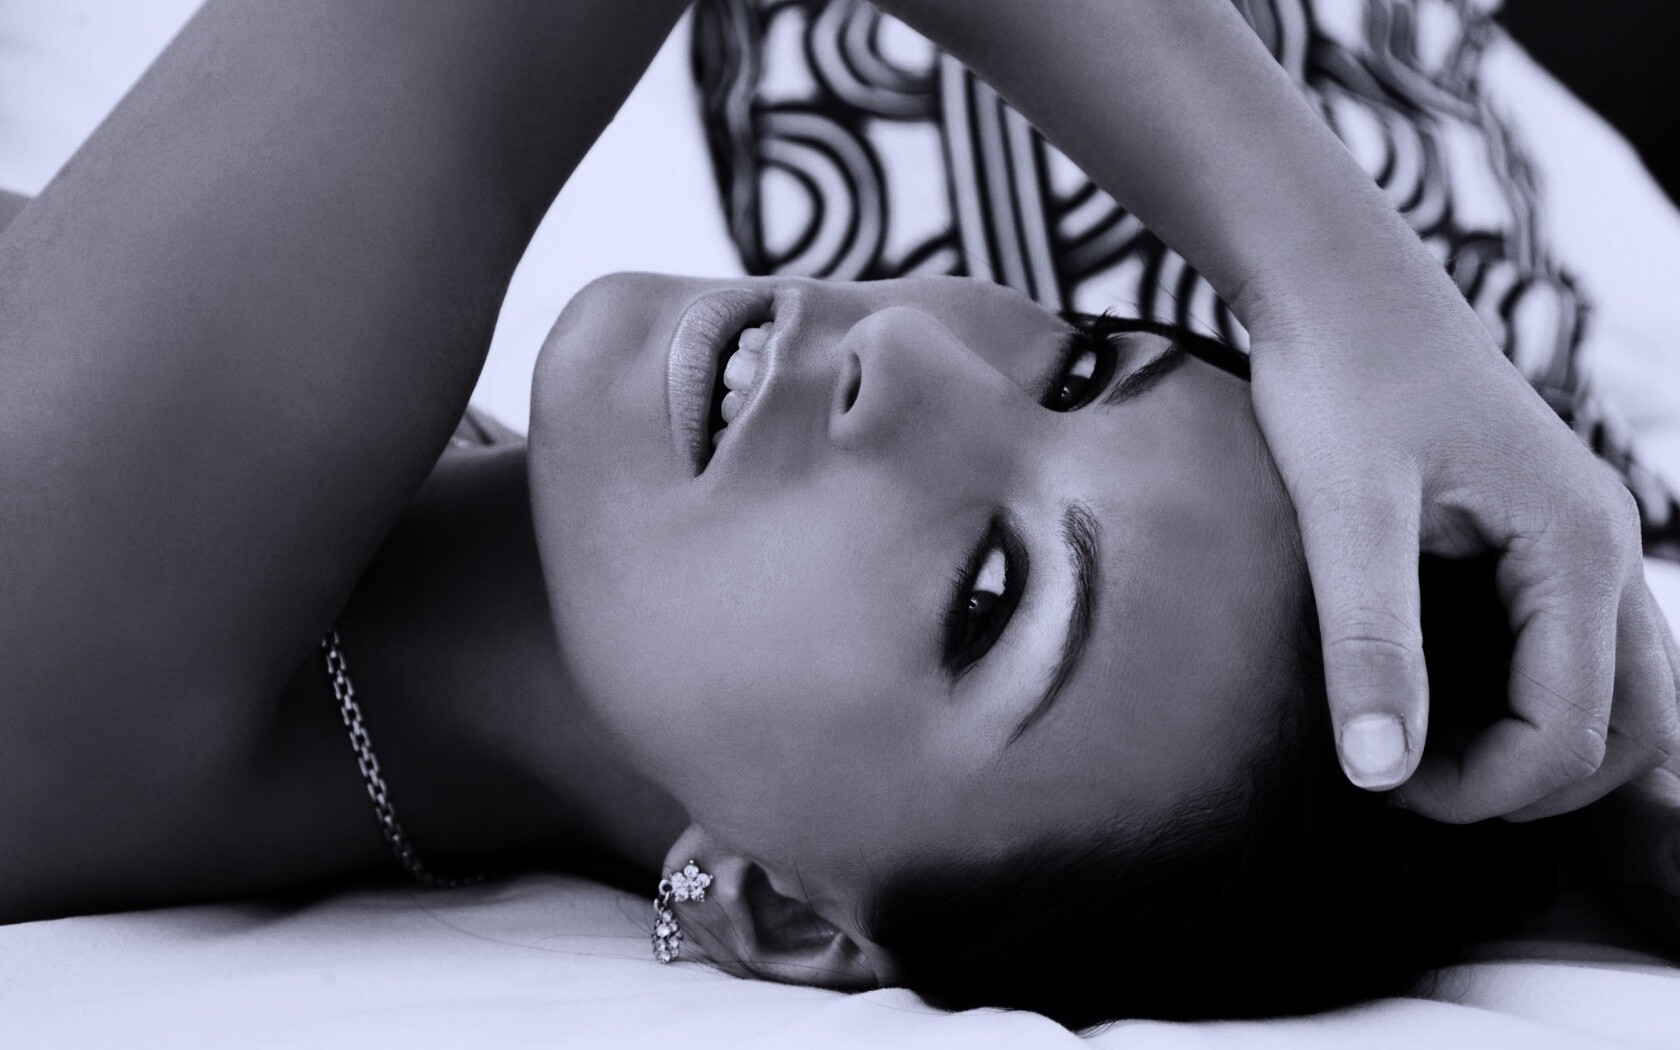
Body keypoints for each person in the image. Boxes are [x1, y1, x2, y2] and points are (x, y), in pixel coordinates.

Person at [0, 0, 1675, 1028]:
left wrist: (1338, 279)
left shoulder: (75, 645)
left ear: (784, 913)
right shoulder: (340, 503)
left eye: (990, 594)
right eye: (1080, 365)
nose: (915, 363)